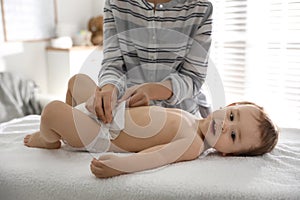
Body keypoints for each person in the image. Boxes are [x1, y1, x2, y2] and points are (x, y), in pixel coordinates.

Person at [24, 74, 279, 179]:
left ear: (228, 153)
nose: (225, 126)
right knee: (76, 81)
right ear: (229, 105)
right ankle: (68, 121)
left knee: (51, 111)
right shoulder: (191, 116)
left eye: (233, 135)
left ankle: (49, 138)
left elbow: (154, 158)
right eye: (232, 116)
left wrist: (118, 166)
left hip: (104, 135)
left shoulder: (192, 144)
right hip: (110, 115)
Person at [86, 0, 214, 125]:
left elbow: (193, 78)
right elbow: (112, 65)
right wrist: (109, 88)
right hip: (127, 114)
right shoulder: (116, 3)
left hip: (180, 119)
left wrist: (151, 91)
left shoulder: (201, 8)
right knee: (75, 83)